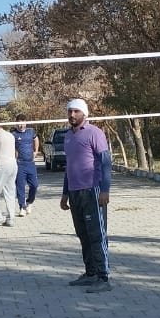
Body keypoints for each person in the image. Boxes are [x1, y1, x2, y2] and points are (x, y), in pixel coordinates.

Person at [60, 99, 112, 293]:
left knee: (97, 235)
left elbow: (105, 162)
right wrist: (65, 193)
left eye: (76, 111)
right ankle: (90, 273)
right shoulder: (68, 136)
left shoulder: (94, 133)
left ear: (84, 114)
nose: (72, 115)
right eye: (70, 111)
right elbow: (69, 166)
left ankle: (103, 277)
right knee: (83, 234)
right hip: (75, 193)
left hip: (92, 190)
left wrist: (105, 189)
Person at [12, 120, 40, 216]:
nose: (21, 125)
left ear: (26, 123)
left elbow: (36, 139)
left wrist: (36, 151)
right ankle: (22, 207)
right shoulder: (13, 134)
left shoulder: (30, 131)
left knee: (34, 185)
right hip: (20, 164)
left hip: (30, 163)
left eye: (22, 123)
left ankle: (29, 202)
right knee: (20, 186)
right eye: (19, 123)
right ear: (16, 124)